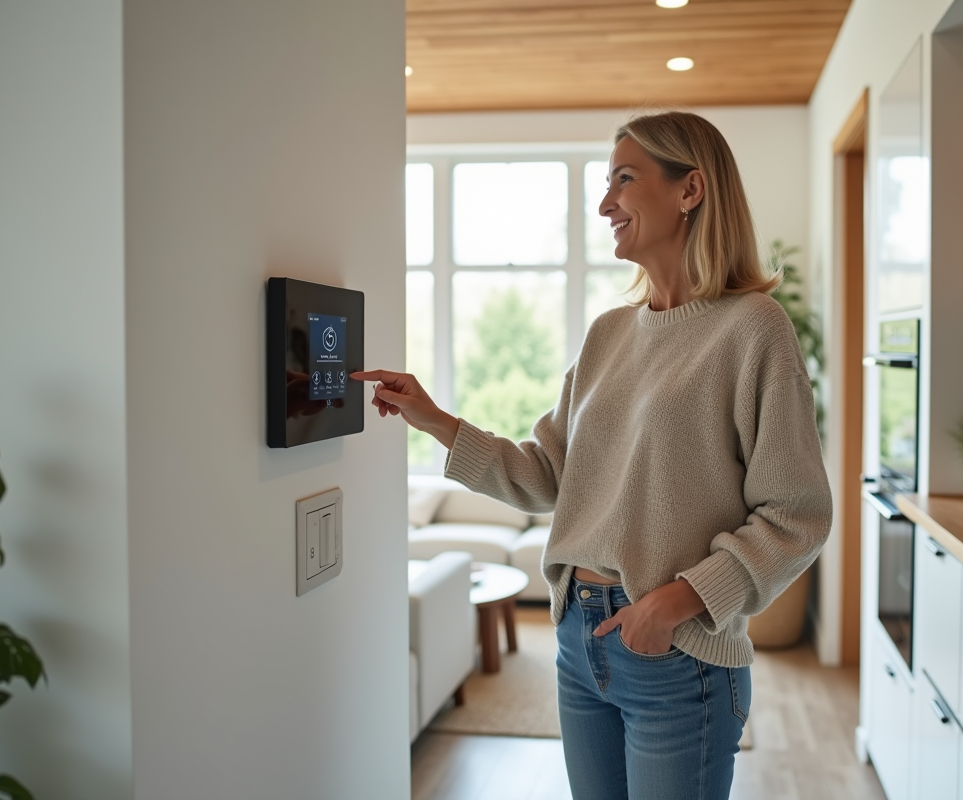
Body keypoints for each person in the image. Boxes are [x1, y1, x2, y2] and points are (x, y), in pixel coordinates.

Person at [354, 111, 831, 800]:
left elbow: (798, 513)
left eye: (625, 180)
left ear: (690, 189)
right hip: (580, 640)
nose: (606, 203)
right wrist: (435, 421)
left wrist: (674, 603)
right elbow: (545, 474)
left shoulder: (754, 329)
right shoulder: (608, 334)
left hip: (677, 650)